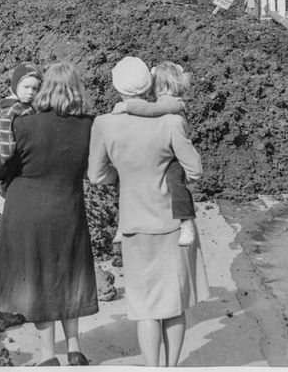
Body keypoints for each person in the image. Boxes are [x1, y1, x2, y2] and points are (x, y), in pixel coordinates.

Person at [88, 56, 209, 367]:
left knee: (145, 308)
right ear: (149, 84)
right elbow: (195, 170)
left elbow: (98, 176)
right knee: (174, 305)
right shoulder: (170, 121)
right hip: (171, 221)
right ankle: (171, 368)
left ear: (117, 86)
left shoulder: (104, 124)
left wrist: (124, 176)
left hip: (133, 223)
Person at [0, 62, 98, 366]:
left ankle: (48, 356)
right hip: (69, 208)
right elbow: (92, 171)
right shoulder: (89, 125)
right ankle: (75, 349)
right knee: (68, 275)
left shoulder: (25, 125)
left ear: (46, 88)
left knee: (39, 280)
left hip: (29, 211)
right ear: (76, 88)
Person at [112, 61, 197, 246]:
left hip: (173, 156)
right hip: (165, 151)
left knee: (175, 181)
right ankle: (123, 223)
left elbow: (151, 110)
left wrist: (127, 107)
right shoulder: (170, 103)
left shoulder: (170, 104)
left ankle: (186, 221)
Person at [0, 62, 42, 214]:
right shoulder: (12, 107)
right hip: (3, 159)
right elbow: (2, 123)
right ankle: (4, 199)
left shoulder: (26, 107)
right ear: (15, 86)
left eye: (35, 88)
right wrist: (8, 152)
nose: (31, 92)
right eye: (26, 87)